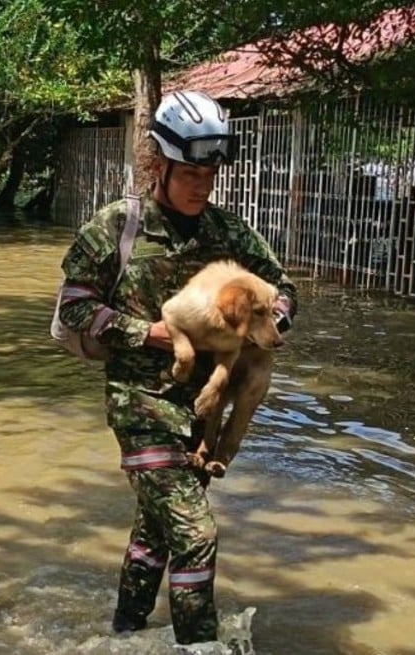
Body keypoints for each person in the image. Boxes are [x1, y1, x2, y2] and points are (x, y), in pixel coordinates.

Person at [55, 90, 297, 646]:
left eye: (210, 173)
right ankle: (200, 645)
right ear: (158, 163)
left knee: (158, 532)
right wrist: (149, 333)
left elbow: (283, 291)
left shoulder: (231, 234)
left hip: (203, 410)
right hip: (139, 403)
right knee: (195, 534)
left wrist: (272, 322)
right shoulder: (118, 226)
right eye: (189, 172)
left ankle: (124, 632)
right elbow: (75, 306)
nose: (202, 185)